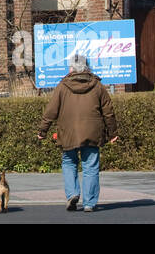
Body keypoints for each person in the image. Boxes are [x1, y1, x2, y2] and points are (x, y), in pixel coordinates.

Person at [37, 54, 119, 213]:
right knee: (90, 167)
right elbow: (108, 112)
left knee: (69, 163)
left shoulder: (62, 86)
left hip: (68, 133)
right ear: (86, 67)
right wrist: (112, 133)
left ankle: (73, 194)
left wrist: (42, 131)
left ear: (72, 68)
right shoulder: (97, 86)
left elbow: (51, 111)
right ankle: (89, 203)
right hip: (92, 133)